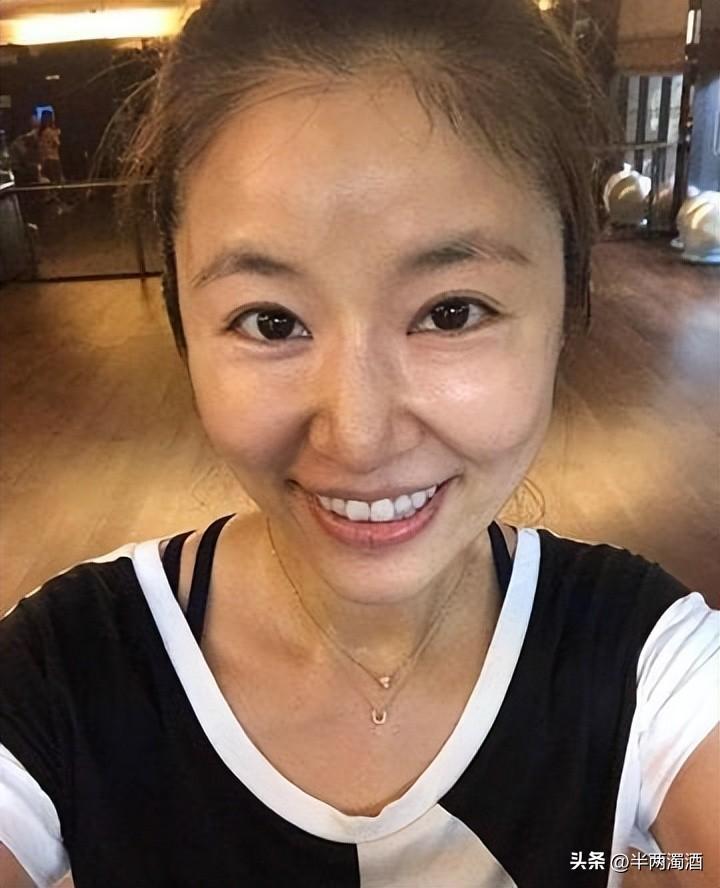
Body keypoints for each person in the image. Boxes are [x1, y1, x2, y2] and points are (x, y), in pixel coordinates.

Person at [1, 1, 718, 886]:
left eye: (451, 312)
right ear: (183, 327)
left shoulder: (647, 661)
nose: (360, 434)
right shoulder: (63, 674)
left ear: (567, 308)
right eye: (271, 321)